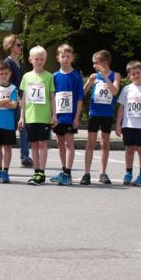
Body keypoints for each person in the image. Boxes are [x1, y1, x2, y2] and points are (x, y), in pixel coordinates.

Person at [18, 46, 57, 185]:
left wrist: (54, 115)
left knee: (42, 144)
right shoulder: (26, 76)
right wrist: (22, 117)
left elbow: (52, 97)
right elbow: (23, 99)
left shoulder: (49, 76)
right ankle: (36, 171)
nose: (39, 61)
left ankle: (41, 172)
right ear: (30, 60)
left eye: (42, 59)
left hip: (44, 116)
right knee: (33, 145)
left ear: (45, 60)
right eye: (36, 59)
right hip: (30, 116)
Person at [82, 50, 121, 185]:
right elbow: (82, 94)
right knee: (90, 143)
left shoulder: (115, 75)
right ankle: (87, 173)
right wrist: (89, 82)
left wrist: (106, 78)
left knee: (105, 143)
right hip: (94, 113)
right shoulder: (94, 76)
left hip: (107, 114)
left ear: (104, 63)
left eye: (95, 63)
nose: (93, 65)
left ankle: (103, 173)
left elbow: (114, 91)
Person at [116, 60, 141, 186]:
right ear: (129, 76)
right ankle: (128, 173)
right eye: (133, 74)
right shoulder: (126, 89)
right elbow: (121, 107)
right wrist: (118, 124)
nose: (136, 75)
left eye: (138, 72)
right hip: (128, 125)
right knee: (129, 150)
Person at [50, 44, 84, 186]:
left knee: (69, 143)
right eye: (62, 56)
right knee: (60, 143)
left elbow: (80, 98)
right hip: (58, 117)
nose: (65, 59)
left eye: (68, 56)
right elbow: (51, 97)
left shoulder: (76, 76)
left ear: (72, 58)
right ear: (58, 58)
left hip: (70, 117)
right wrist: (53, 115)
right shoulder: (54, 76)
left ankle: (68, 173)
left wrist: (76, 117)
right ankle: (64, 170)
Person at [3, 34, 33, 167]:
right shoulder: (8, 63)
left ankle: (25, 156)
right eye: (18, 45)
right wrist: (18, 99)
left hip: (18, 100)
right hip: (12, 101)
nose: (21, 47)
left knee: (19, 128)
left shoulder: (17, 62)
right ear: (11, 47)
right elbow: (8, 84)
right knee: (8, 129)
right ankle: (25, 157)